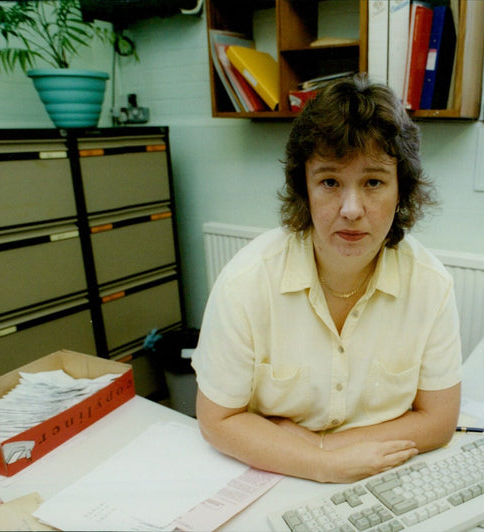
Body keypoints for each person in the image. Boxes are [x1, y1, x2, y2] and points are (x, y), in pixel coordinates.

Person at [192, 74, 462, 484]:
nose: (352, 209)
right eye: (330, 182)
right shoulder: (246, 282)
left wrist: (324, 446)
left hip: (381, 476)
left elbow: (439, 421)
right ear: (305, 189)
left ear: (401, 189)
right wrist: (321, 465)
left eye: (373, 182)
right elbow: (216, 420)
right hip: (272, 478)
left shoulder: (431, 285)